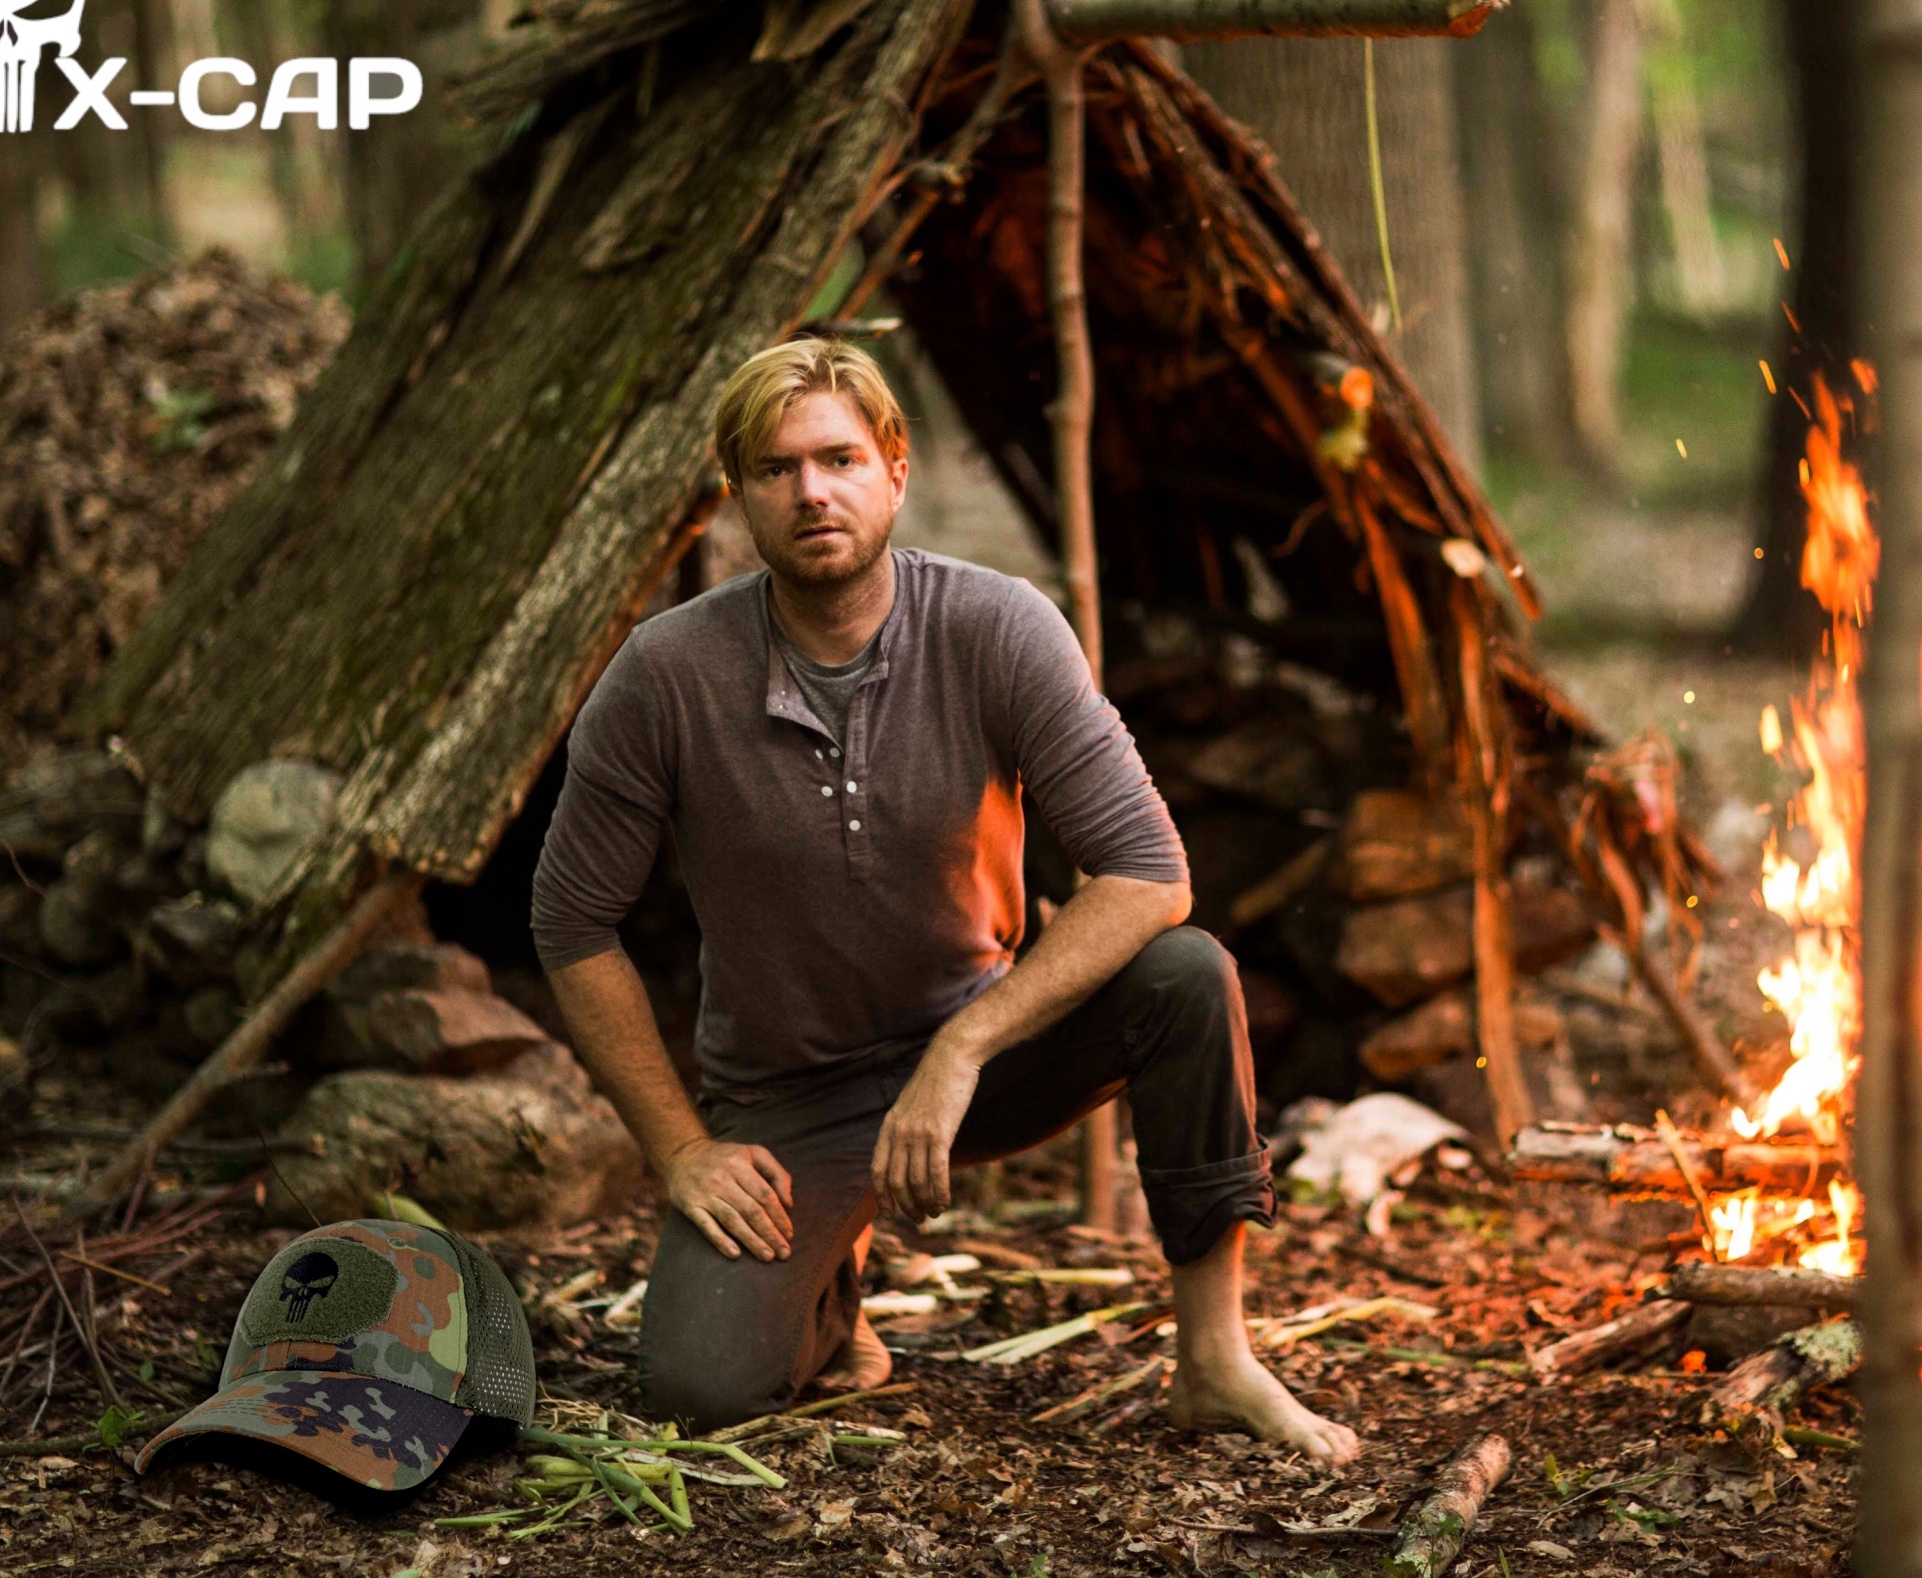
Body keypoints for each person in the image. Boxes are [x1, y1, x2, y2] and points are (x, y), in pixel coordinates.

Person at [529, 336, 1356, 1465]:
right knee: (699, 1390)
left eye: (837, 457)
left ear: (894, 469)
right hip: (792, 1094)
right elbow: (571, 924)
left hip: (989, 1053)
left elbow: (1150, 871)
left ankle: (1214, 1357)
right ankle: (829, 1296)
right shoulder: (666, 674)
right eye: (775, 469)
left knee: (1186, 974)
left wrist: (964, 1046)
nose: (811, 489)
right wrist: (679, 1150)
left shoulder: (994, 626)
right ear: (736, 494)